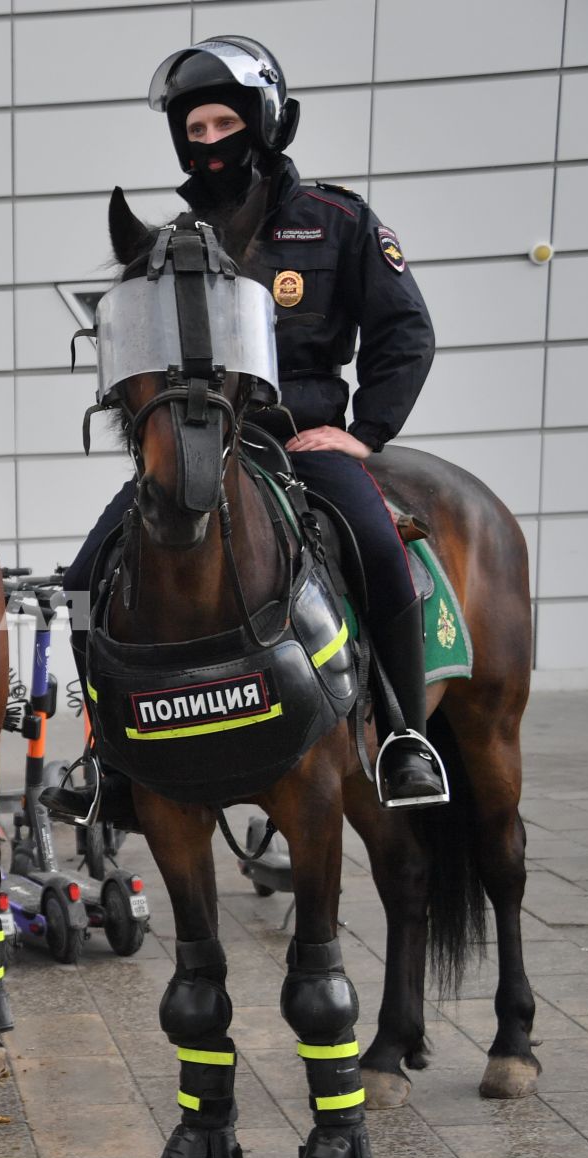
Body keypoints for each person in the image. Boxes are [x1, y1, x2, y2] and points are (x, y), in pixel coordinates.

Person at [42, 36, 448, 823]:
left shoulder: (337, 221)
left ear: (262, 124)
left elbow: (406, 335)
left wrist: (363, 433)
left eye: (224, 123)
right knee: (86, 581)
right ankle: (108, 759)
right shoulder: (167, 248)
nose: (210, 142)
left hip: (302, 448)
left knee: (380, 556)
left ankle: (404, 737)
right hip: (199, 446)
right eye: (194, 131)